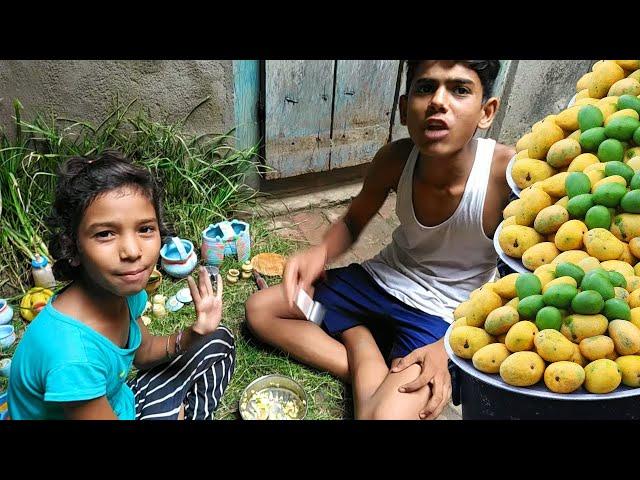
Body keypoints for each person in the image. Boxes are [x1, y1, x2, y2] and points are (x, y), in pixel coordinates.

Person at [246, 60, 515, 420]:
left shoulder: (505, 176)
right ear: (404, 109)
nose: (438, 101)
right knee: (260, 310)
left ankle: (356, 336)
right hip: (379, 281)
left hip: (443, 316)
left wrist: (446, 349)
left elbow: (523, 285)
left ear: (486, 111)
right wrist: (321, 252)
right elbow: (356, 218)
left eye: (459, 89)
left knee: (380, 417)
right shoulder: (395, 159)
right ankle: (364, 344)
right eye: (425, 87)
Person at [8, 151, 235, 420]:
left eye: (145, 229)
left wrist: (194, 334)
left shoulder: (119, 291)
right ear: (73, 246)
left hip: (118, 400)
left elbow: (144, 352)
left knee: (217, 340)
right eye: (105, 234)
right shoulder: (73, 357)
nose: (131, 251)